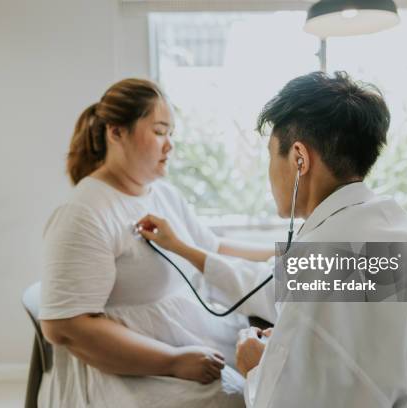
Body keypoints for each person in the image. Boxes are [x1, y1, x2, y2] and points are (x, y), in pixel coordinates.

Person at [138, 71, 407, 407]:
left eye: (272, 155)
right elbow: (275, 286)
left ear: (299, 159)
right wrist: (185, 249)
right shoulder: (386, 227)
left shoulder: (336, 255)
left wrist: (257, 368)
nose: (269, 172)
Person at [39, 78, 273, 408]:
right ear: (116, 132)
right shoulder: (84, 213)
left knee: (270, 381)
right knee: (237, 399)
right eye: (160, 131)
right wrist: (173, 360)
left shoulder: (162, 194)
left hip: (189, 344)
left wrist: (282, 253)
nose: (170, 146)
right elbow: (64, 327)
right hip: (125, 370)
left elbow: (212, 246)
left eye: (171, 134)